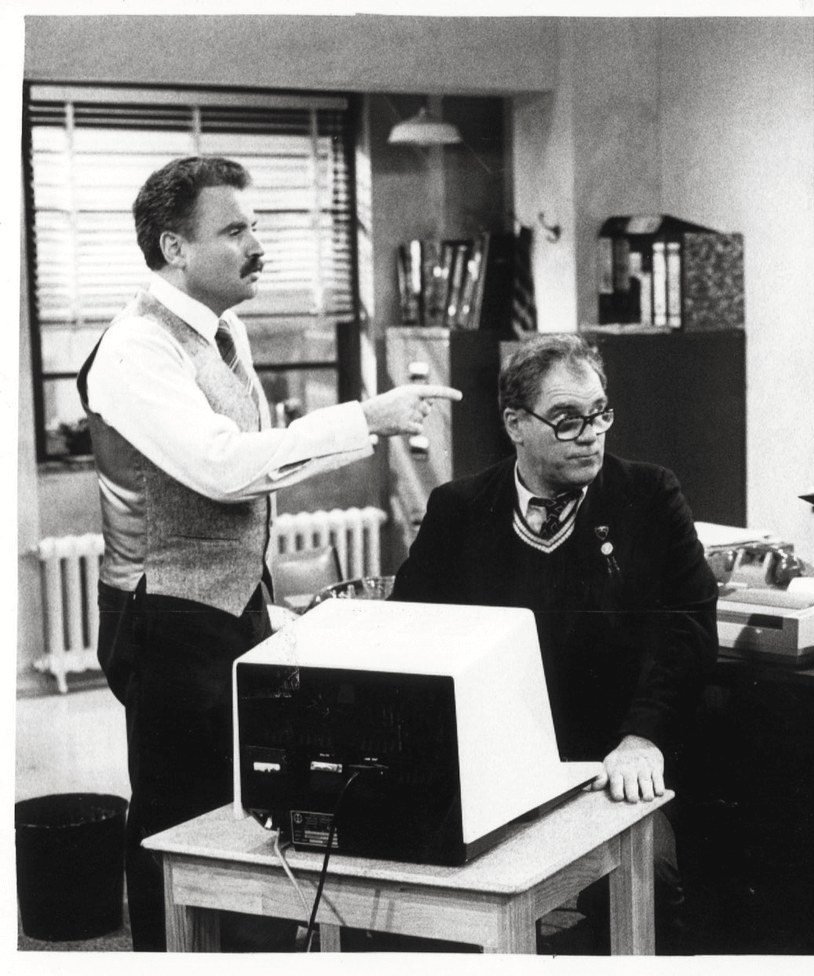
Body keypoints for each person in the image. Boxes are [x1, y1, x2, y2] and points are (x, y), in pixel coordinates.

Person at [77, 155, 461, 951]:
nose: (258, 244)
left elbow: (258, 458)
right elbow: (220, 467)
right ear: (174, 248)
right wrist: (366, 418)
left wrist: (366, 429)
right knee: (176, 823)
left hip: (227, 603)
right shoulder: (135, 349)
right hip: (165, 613)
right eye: (236, 229)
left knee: (243, 805)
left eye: (258, 226)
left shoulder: (224, 331)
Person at [390, 333, 718, 951]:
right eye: (567, 420)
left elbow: (690, 628)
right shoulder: (459, 510)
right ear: (516, 423)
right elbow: (409, 636)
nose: (590, 433)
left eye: (600, 414)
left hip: (612, 768)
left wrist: (643, 737)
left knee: (651, 873)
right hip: (492, 777)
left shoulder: (649, 496)